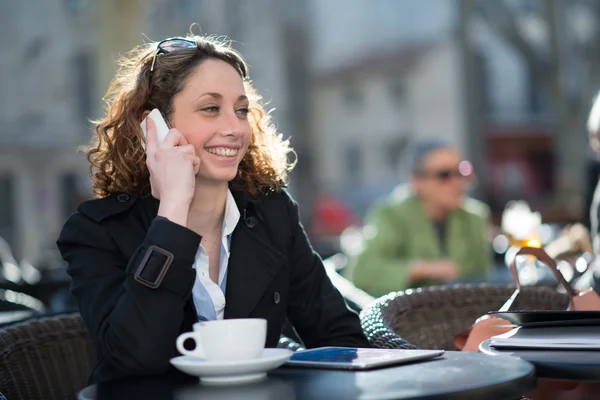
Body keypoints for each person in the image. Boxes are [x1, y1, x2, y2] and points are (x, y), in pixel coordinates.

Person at [56, 33, 369, 385]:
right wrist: (173, 212)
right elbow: (134, 357)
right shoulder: (96, 232)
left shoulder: (272, 212)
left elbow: (339, 335)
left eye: (241, 110)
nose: (234, 128)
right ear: (153, 128)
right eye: (210, 108)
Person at [348, 140, 492, 297]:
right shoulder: (391, 213)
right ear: (417, 182)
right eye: (444, 175)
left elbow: (483, 279)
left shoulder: (475, 216)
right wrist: (420, 269)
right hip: (405, 316)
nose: (457, 182)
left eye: (462, 172)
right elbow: (361, 271)